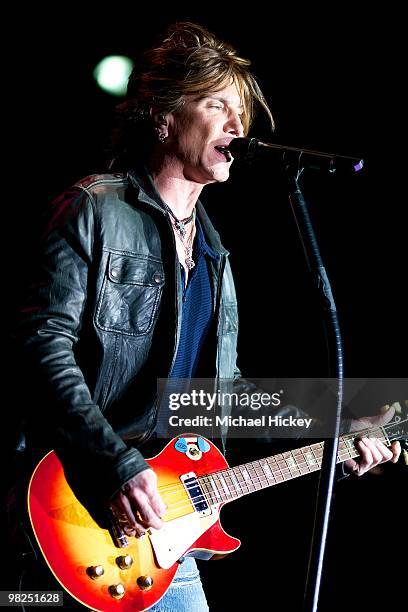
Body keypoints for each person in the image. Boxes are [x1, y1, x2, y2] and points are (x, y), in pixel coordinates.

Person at [10, 21, 401, 611]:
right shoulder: (94, 209)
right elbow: (42, 346)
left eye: (240, 110)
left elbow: (222, 396)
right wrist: (115, 465)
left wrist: (340, 431)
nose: (237, 127)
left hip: (170, 543)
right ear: (164, 116)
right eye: (217, 104)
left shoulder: (216, 258)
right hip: (80, 510)